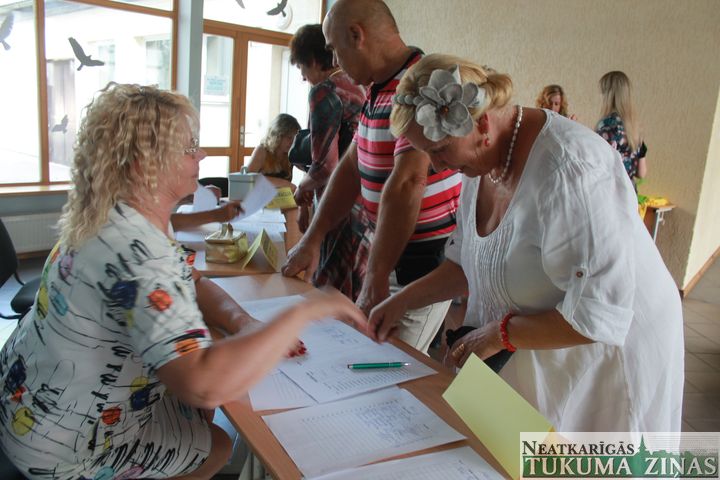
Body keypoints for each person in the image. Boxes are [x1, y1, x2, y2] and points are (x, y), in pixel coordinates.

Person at [0, 83, 366, 479]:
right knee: (218, 443)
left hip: (25, 403)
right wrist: (304, 312)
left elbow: (190, 279)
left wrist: (243, 322)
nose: (201, 154)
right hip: (63, 448)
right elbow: (203, 382)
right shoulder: (140, 251)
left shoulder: (112, 216)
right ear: (143, 164)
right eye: (189, 147)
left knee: (196, 409)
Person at [368, 54, 683, 431]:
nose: (436, 167)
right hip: (539, 335)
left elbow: (599, 315)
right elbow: (468, 264)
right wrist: (401, 301)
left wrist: (499, 333)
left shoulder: (571, 170)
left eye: (438, 151)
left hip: (609, 350)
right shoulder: (482, 161)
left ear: (481, 123)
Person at [282, 0, 461, 354]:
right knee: (365, 356)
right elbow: (352, 166)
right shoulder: (380, 87)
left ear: (356, 35)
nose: (335, 61)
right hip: (390, 256)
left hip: (420, 267)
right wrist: (313, 238)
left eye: (335, 49)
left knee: (384, 365)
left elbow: (408, 183)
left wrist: (375, 279)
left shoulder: (419, 84)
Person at [289, 23, 367, 300]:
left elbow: (325, 166)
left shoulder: (325, 91)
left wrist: (302, 189)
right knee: (355, 288)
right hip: (366, 203)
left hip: (339, 204)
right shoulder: (360, 86)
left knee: (330, 289)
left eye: (301, 68)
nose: (303, 77)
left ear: (313, 59)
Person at [596, 71, 648, 188]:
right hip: (630, 192)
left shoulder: (607, 126)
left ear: (608, 96)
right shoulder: (634, 127)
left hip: (611, 192)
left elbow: (598, 166)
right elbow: (641, 173)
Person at [246, 113, 301, 182]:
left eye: (295, 138)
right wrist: (282, 182)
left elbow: (309, 169)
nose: (292, 142)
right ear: (277, 135)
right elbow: (247, 179)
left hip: (284, 189)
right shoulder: (262, 151)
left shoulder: (291, 153)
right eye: (289, 137)